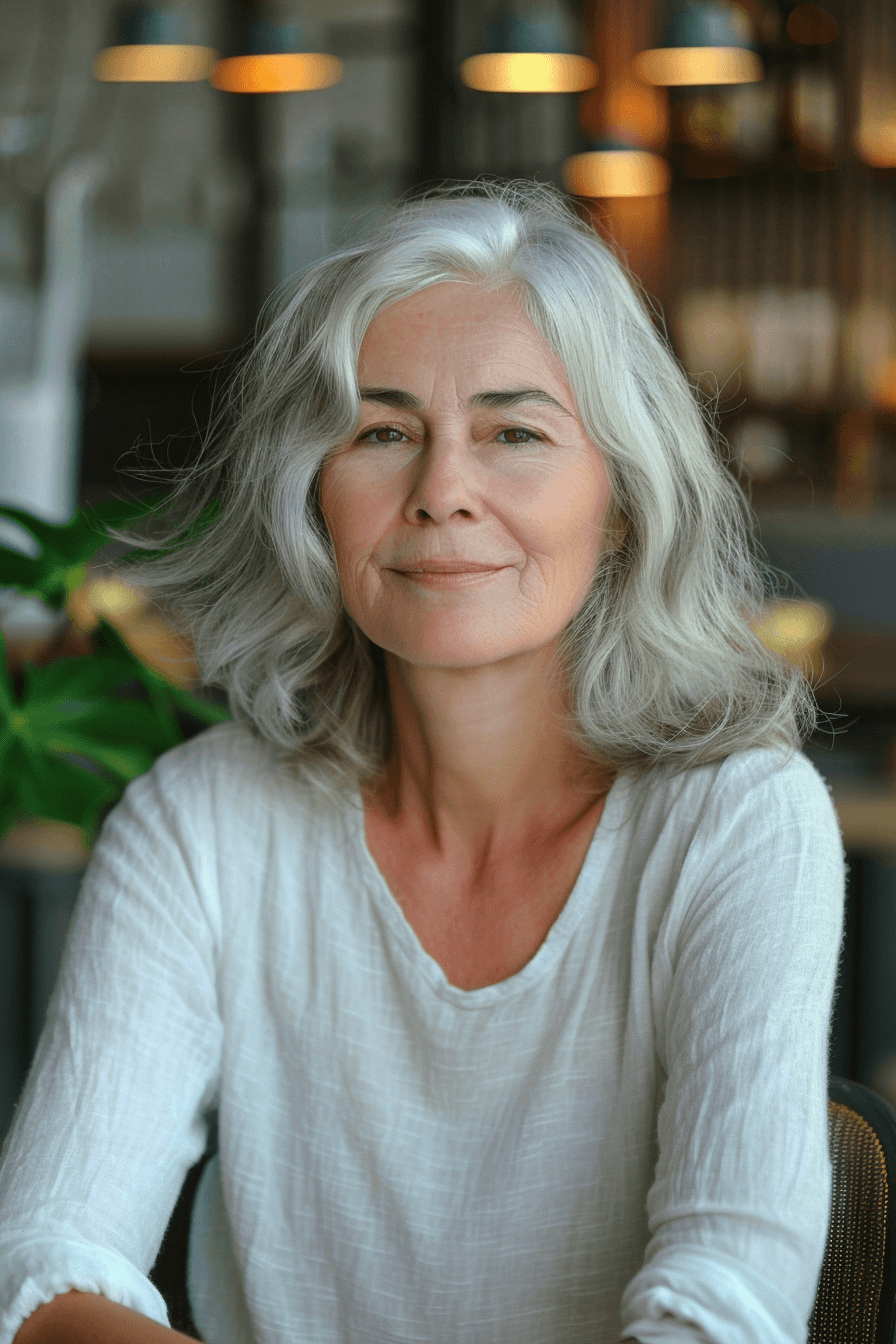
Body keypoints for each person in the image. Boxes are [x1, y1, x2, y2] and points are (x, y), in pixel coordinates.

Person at [0, 180, 844, 1344]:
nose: (441, 492)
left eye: (514, 433)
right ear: (315, 494)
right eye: (383, 431)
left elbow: (724, 1315)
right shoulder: (200, 824)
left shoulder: (739, 822)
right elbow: (42, 1266)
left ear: (618, 502)